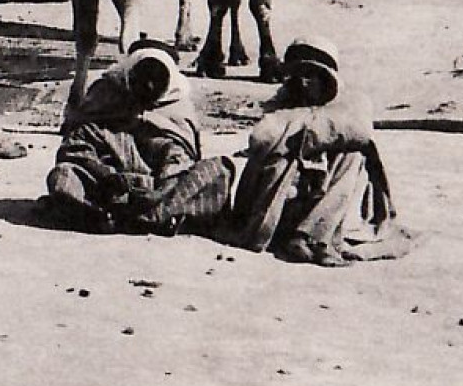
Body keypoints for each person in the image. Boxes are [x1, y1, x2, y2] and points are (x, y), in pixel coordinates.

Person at [227, 37, 409, 266]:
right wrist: (303, 134)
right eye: (298, 75)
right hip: (278, 202)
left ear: (325, 79)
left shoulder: (350, 104)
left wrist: (307, 131)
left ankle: (311, 237)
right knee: (283, 161)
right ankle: (305, 236)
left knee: (353, 155)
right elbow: (262, 138)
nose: (303, 83)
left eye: (310, 75)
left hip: (323, 198)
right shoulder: (280, 106)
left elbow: (360, 131)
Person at [44, 39, 234, 235]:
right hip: (106, 186)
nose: (149, 86)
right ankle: (150, 217)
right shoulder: (105, 93)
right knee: (62, 175)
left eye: (156, 81)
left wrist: (161, 185)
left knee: (219, 170)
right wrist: (105, 175)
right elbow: (75, 147)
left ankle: (136, 216)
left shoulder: (178, 107)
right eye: (142, 79)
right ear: (127, 74)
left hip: (159, 189)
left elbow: (183, 158)